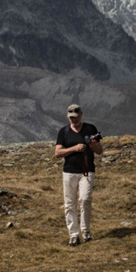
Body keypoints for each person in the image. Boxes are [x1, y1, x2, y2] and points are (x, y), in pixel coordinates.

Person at [53, 103, 101, 245]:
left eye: (75, 117)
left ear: (81, 115)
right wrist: (74, 148)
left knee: (85, 199)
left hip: (87, 170)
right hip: (69, 172)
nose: (73, 120)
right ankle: (73, 234)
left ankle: (85, 230)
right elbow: (57, 153)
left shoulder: (90, 129)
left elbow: (100, 151)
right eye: (71, 117)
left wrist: (93, 145)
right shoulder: (64, 132)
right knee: (69, 203)